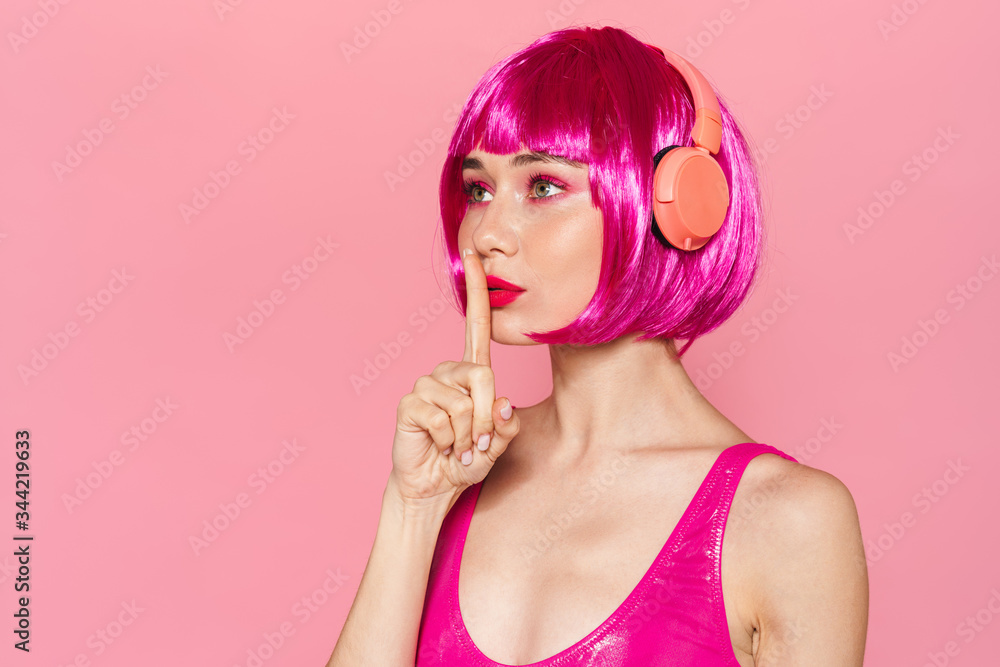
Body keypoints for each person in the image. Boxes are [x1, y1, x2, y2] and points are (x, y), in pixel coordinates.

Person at [328, 25, 868, 667]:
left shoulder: (789, 520)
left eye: (544, 188)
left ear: (672, 207)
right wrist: (411, 507)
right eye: (478, 190)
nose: (487, 234)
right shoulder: (456, 470)